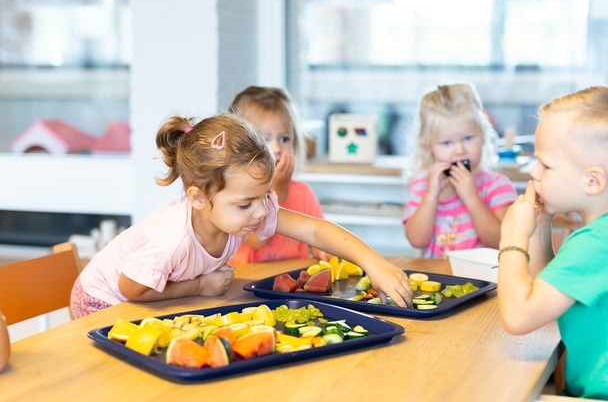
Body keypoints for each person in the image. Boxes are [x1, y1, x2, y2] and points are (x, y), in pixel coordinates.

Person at [70, 113, 413, 318]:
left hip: (140, 298)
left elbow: (315, 232)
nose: (262, 211)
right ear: (199, 198)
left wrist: (374, 263)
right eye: (246, 203)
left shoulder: (241, 209)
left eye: (265, 196)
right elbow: (130, 288)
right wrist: (200, 285)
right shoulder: (170, 238)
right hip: (101, 300)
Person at [498, 86, 608, 400]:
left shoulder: (601, 243)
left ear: (593, 181)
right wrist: (540, 224)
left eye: (545, 165)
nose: (534, 173)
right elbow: (546, 291)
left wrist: (511, 239)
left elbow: (518, 317)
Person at [402, 83, 517, 258]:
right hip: (438, 280)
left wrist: (471, 197)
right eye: (447, 143)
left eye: (468, 138)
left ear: (483, 136)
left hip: (483, 281)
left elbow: (501, 241)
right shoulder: (422, 185)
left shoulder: (496, 186)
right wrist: (430, 197)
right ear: (428, 146)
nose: (459, 150)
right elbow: (417, 241)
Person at [226, 86, 330, 264]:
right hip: (247, 282)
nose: (276, 149)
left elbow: (319, 238)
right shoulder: (237, 197)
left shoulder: (303, 193)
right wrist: (277, 192)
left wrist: (322, 249)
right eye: (264, 139)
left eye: (284, 139)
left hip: (291, 283)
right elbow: (257, 241)